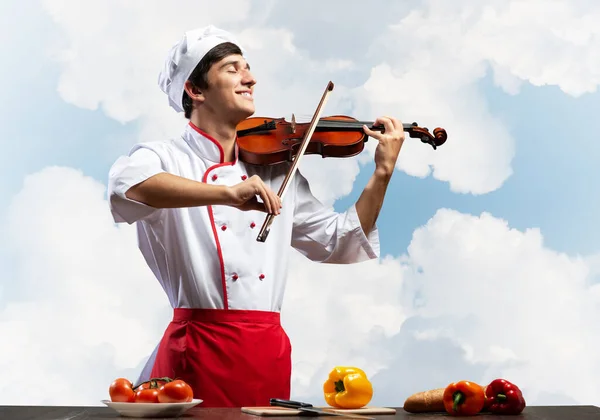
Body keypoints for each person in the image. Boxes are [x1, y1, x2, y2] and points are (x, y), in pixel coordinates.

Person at [107, 25, 405, 408]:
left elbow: (336, 240)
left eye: (247, 67)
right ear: (195, 91)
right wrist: (227, 194)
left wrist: (381, 175)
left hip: (267, 350)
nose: (250, 78)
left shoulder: (277, 170)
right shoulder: (164, 157)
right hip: (197, 349)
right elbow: (130, 186)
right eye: (232, 69)